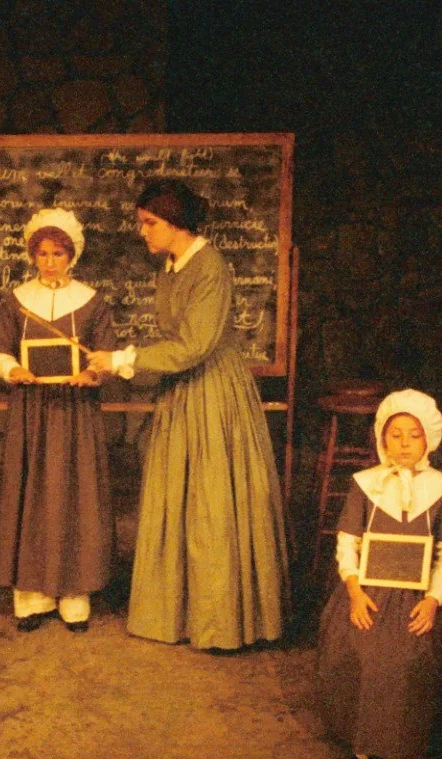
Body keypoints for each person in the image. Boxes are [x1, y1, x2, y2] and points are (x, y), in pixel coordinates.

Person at [89, 179, 288, 650]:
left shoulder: (210, 267)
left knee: (212, 501)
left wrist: (122, 358)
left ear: (176, 221)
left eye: (150, 223)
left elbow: (195, 346)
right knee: (178, 497)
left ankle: (219, 619)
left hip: (214, 393)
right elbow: (177, 346)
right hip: (182, 393)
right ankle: (177, 612)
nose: (144, 233)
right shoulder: (172, 267)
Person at [315, 390, 442, 759]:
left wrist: (433, 600)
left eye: (413, 435)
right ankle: (363, 743)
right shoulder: (365, 485)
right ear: (382, 438)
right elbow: (347, 541)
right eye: (395, 435)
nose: (404, 444)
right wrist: (353, 591)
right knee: (361, 655)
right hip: (368, 592)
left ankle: (398, 747)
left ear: (428, 439)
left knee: (408, 662)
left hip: (416, 596)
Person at [0, 208, 115, 633]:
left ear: (71, 255)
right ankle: (32, 597)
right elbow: (1, 352)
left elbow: (104, 355)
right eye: (42, 253)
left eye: (57, 253)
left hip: (75, 412)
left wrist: (92, 373)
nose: (49, 261)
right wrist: (12, 370)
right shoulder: (17, 300)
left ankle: (73, 596)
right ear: (33, 255)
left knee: (73, 495)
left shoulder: (93, 302)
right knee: (32, 494)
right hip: (32, 411)